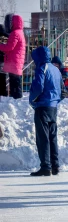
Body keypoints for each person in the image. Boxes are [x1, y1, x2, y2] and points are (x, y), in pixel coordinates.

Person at [29, 46, 62, 177]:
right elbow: (62, 89)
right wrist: (56, 101)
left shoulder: (42, 68)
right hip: (53, 107)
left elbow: (38, 87)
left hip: (42, 106)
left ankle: (46, 166)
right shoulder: (55, 69)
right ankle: (55, 165)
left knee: (43, 137)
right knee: (52, 137)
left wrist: (32, 100)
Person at [0, 14, 25, 99]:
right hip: (15, 62)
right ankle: (15, 99)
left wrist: (0, 46)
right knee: (14, 83)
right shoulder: (20, 32)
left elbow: (9, 47)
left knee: (15, 84)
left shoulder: (15, 33)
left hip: (14, 62)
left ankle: (16, 100)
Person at [0, 23, 8, 97]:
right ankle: (4, 93)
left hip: (2, 60)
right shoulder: (7, 37)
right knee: (3, 78)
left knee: (2, 78)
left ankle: (3, 93)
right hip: (4, 60)